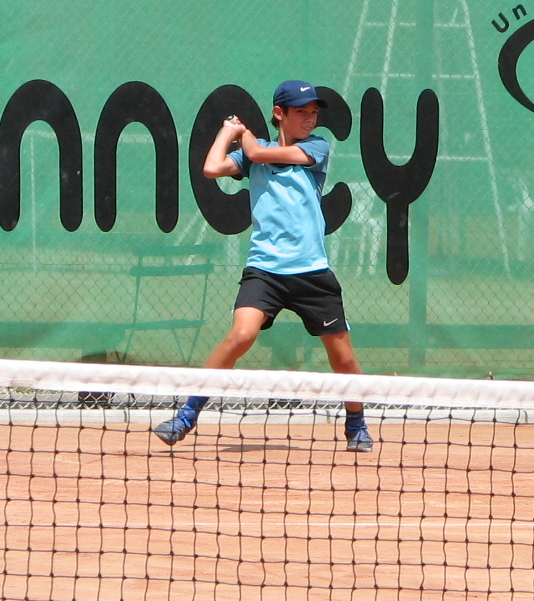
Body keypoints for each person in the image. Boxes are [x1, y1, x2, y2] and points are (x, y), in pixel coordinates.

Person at [153, 80, 372, 452]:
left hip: (311, 272)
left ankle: (356, 423)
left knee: (343, 357)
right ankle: (187, 415)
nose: (310, 118)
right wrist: (227, 133)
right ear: (279, 113)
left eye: (314, 112)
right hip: (265, 270)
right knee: (240, 337)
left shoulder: (316, 148)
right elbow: (211, 168)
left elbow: (255, 152)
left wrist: (245, 135)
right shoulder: (256, 152)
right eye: (301, 111)